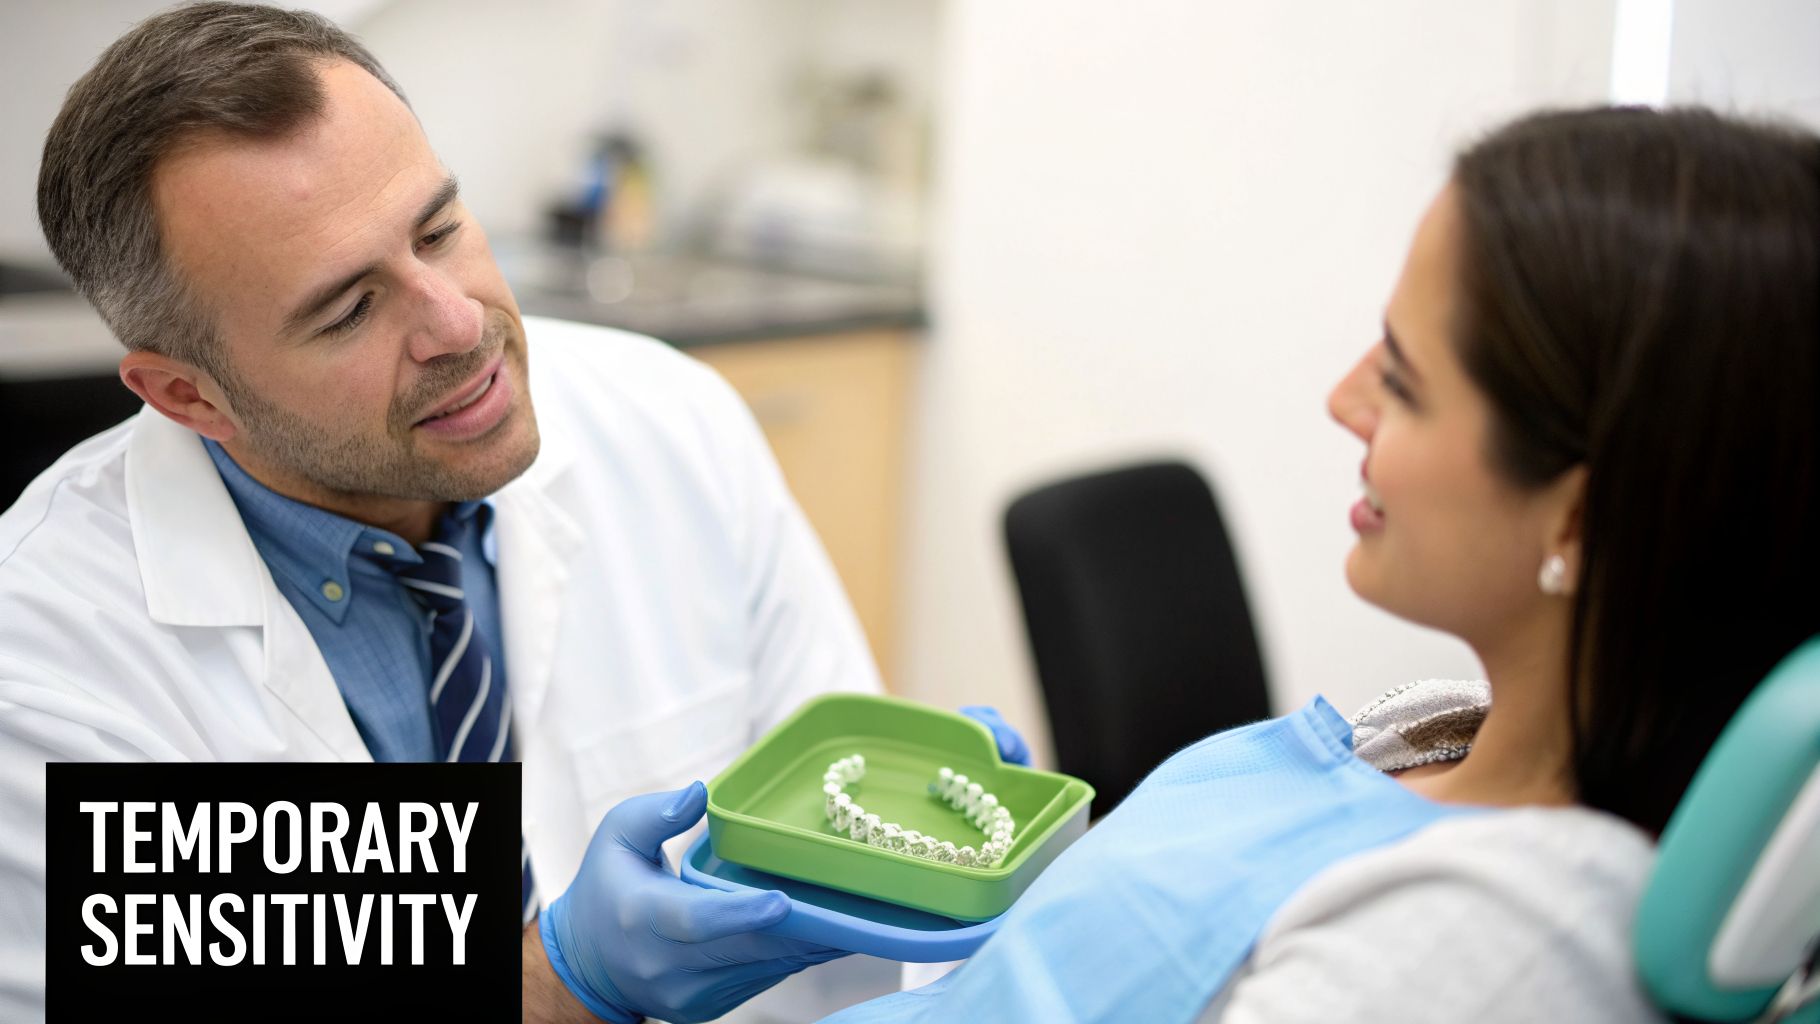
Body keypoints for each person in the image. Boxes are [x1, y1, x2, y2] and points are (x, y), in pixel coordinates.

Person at [0, 4, 1027, 1022]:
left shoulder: (670, 423)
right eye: (350, 308)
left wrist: (923, 858)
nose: (458, 324)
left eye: (438, 229)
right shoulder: (47, 673)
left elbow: (861, 888)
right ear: (189, 395)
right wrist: (556, 981)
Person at [804, 106, 1820, 1022]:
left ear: (1575, 523)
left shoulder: (1479, 944)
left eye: (1403, 381)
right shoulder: (1445, 728)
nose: (1344, 400)